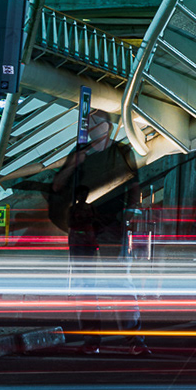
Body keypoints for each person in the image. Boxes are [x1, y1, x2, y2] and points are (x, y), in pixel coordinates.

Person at [48, 110, 148, 355]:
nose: (91, 128)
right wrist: (73, 165)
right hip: (81, 227)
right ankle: (92, 340)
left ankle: (133, 339)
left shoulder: (121, 152)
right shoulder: (78, 153)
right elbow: (58, 185)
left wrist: (131, 211)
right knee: (85, 285)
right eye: (89, 124)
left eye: (96, 123)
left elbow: (133, 184)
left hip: (110, 224)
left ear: (107, 127)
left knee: (120, 284)